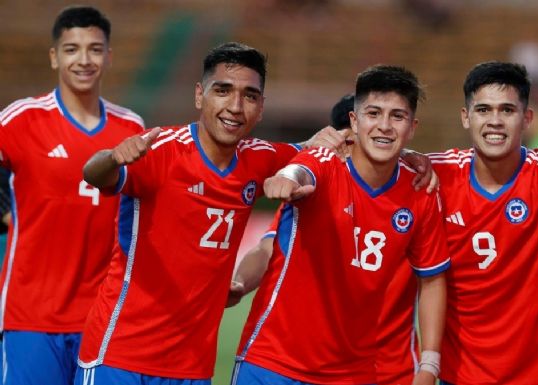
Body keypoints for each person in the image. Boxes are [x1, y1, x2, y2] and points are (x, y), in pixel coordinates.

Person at [75, 44, 431, 385]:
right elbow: (94, 174)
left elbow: (342, 149)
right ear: (200, 95)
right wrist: (112, 157)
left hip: (193, 365)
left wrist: (410, 156)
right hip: (120, 353)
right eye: (223, 90)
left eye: (249, 96)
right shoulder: (159, 150)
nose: (235, 106)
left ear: (261, 108)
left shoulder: (260, 157)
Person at [233, 65, 450, 385]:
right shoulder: (324, 164)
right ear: (353, 123)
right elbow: (301, 172)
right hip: (273, 361)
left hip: (358, 370)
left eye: (397, 117)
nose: (385, 126)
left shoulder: (420, 191)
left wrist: (429, 364)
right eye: (373, 114)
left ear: (412, 127)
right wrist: (286, 178)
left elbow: (432, 279)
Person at [430, 61, 538, 385]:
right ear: (466, 117)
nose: (495, 121)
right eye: (483, 109)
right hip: (461, 377)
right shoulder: (435, 175)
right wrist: (316, 146)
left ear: (526, 119)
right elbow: (369, 164)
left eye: (507, 110)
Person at [0, 6, 145, 385]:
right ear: (54, 57)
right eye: (71, 49)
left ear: (109, 57)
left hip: (103, 318)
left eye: (95, 49)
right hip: (31, 314)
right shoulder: (21, 119)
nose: (84, 60)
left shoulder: (131, 127)